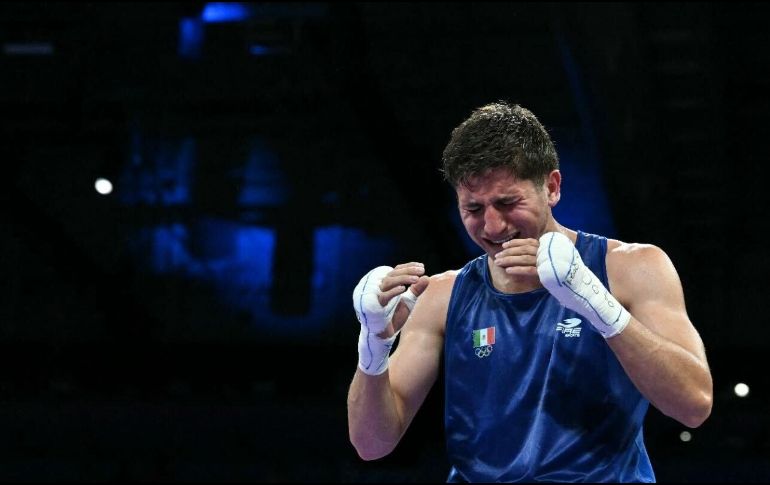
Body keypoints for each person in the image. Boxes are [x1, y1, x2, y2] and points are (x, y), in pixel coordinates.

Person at [347, 101, 713, 482]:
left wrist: (595, 301)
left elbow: (694, 404)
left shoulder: (631, 269)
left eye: (507, 202)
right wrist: (373, 345)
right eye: (473, 209)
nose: (491, 226)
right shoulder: (442, 296)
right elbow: (372, 444)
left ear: (552, 187)